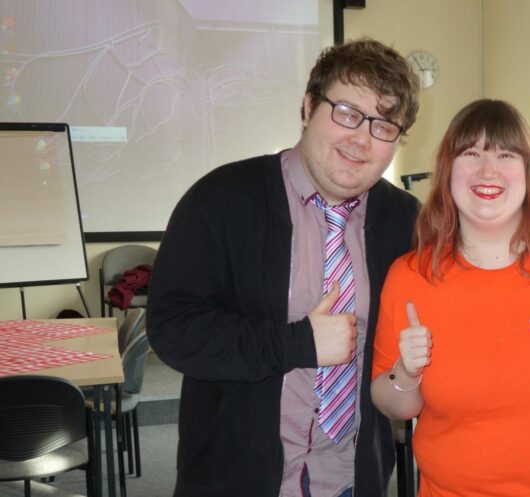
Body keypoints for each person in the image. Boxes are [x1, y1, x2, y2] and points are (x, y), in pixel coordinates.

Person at [147, 38, 420, 497]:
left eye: (384, 125)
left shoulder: (406, 221)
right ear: (309, 106)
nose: (361, 138)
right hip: (237, 479)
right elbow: (172, 328)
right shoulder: (220, 199)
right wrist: (295, 343)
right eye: (347, 113)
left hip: (352, 479)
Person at [370, 99, 530, 497]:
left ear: (529, 171)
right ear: (448, 170)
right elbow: (394, 405)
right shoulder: (411, 276)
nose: (488, 170)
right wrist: (407, 374)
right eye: (471, 153)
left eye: (505, 154)